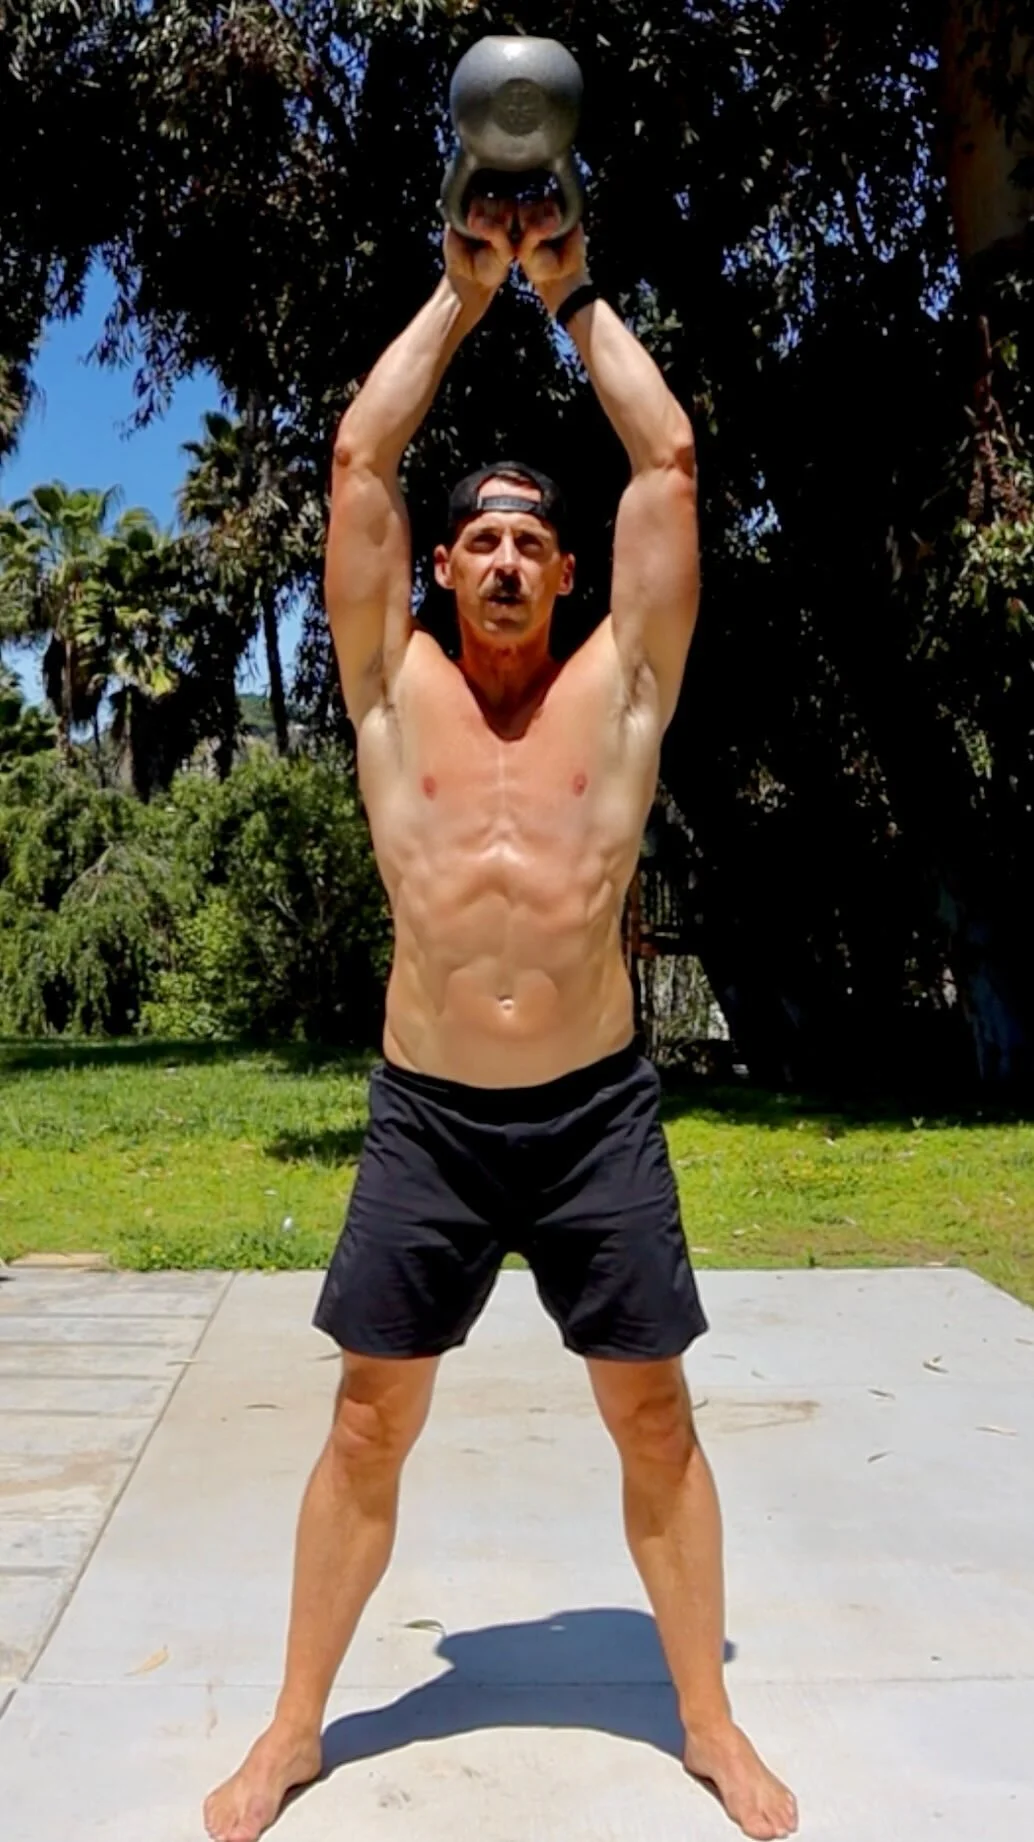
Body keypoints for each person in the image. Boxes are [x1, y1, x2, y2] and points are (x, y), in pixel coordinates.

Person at [204, 200, 798, 1842]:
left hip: (594, 1112)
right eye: (485, 539)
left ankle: (708, 1721)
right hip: (432, 1118)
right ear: (446, 565)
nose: (513, 558)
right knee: (366, 1417)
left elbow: (667, 461)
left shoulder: (622, 687)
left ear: (568, 568)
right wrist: (464, 297)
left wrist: (573, 293)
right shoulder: (392, 693)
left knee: (652, 1413)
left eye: (537, 539)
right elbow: (357, 462)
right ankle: (292, 1730)